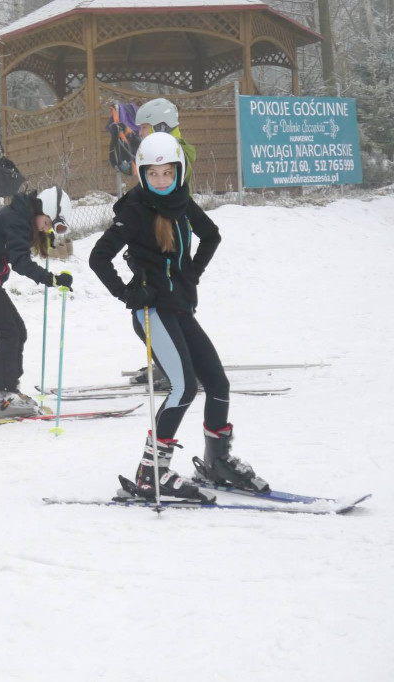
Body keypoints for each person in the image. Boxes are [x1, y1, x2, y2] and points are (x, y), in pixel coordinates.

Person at [89, 132, 268, 502]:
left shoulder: (182, 202)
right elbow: (98, 257)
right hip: (152, 311)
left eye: (167, 173)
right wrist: (127, 292)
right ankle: (151, 472)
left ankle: (218, 461)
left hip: (180, 308)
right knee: (184, 387)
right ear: (141, 174)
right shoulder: (135, 209)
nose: (160, 181)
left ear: (179, 172)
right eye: (152, 174)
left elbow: (211, 236)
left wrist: (191, 274)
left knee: (218, 383)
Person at [0, 186, 73, 419]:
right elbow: (20, 261)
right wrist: (52, 279)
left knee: (18, 331)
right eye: (47, 223)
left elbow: (17, 246)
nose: (45, 228)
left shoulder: (21, 215)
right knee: (8, 333)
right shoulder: (17, 219)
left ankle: (9, 392)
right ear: (41, 210)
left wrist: (45, 237)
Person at [135, 97, 196, 193]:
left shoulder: (172, 154)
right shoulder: (168, 150)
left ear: (161, 127)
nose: (140, 133)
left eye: (144, 127)